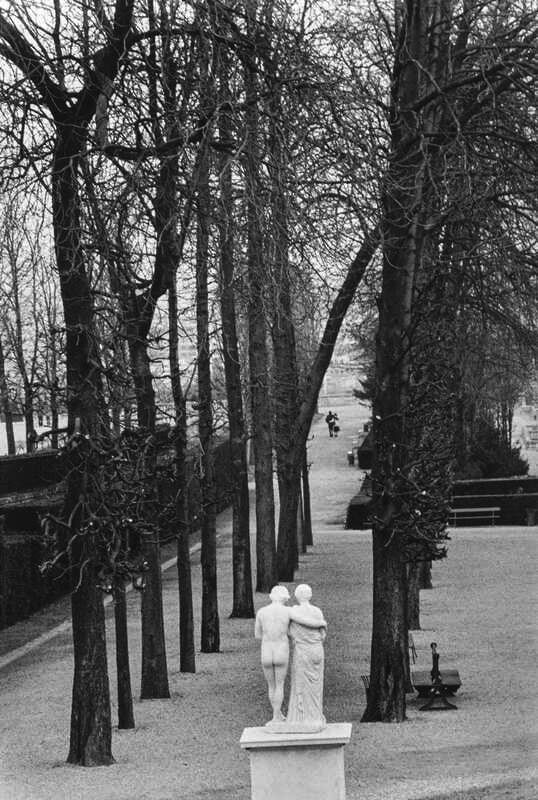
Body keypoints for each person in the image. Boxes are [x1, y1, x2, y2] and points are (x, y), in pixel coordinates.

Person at [286, 584, 327, 731]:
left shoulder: (293, 611)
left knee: (301, 684)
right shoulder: (317, 611)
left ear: (297, 596)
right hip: (317, 650)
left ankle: (301, 719)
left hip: (302, 651)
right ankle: (315, 717)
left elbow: (289, 632)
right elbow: (323, 635)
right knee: (316, 686)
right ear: (310, 595)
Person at [254, 585, 292, 725]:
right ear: (284, 598)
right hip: (281, 649)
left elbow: (257, 635)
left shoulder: (262, 612)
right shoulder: (288, 611)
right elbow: (291, 632)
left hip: (267, 650)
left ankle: (276, 715)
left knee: (271, 685)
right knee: (280, 684)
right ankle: (277, 716)